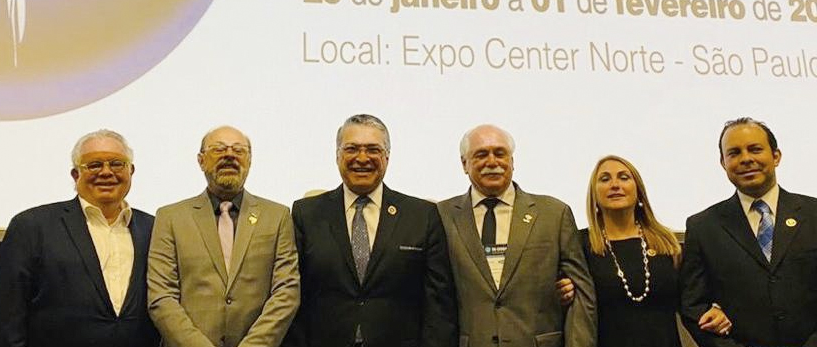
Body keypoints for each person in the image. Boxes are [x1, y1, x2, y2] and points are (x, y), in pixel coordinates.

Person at [283, 113, 457, 347]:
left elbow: (439, 304)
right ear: (337, 156)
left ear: (387, 157)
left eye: (373, 150)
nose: (362, 158)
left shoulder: (422, 215)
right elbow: (292, 294)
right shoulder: (306, 213)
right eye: (352, 149)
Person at [0, 129, 158, 347]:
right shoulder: (32, 226)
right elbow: (5, 318)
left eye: (117, 164)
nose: (106, 172)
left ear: (131, 171)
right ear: (76, 175)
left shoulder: (153, 228)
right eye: (94, 165)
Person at [437, 124, 595, 347]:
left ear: (512, 161)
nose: (492, 162)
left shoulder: (554, 213)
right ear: (464, 163)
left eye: (500, 153)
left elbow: (581, 295)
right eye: (481, 154)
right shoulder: (441, 216)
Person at [147, 125, 299, 347]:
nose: (229, 155)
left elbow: (286, 291)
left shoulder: (277, 216)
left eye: (238, 150)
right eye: (218, 149)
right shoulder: (170, 218)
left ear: (249, 161)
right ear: (201, 160)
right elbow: (162, 295)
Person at [557, 155, 730, 347]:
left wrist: (716, 309)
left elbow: (694, 300)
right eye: (605, 179)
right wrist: (561, 294)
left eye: (624, 177)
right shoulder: (578, 246)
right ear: (594, 195)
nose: (615, 185)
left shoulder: (668, 244)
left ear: (639, 192)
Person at [680, 117, 817, 347]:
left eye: (755, 149)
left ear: (776, 156)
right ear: (723, 163)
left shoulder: (813, 214)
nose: (746, 159)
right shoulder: (703, 227)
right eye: (734, 153)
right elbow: (693, 306)